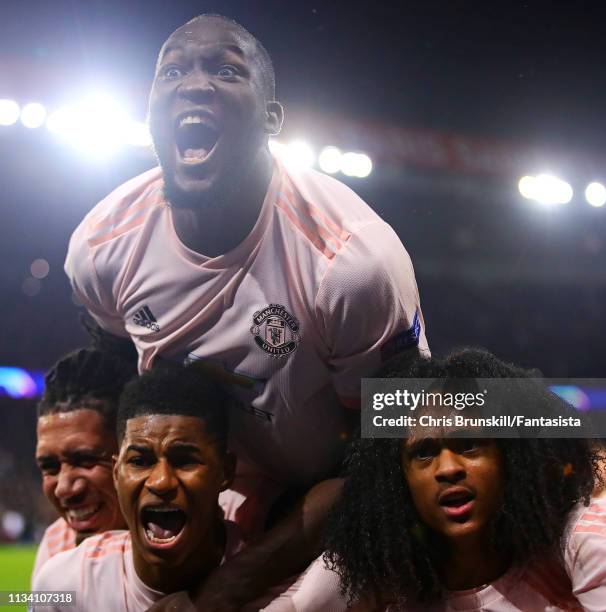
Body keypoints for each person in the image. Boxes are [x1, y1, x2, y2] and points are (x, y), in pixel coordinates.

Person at [64, 12, 428, 606]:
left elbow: (392, 452)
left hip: (338, 504)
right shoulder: (102, 249)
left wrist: (239, 581)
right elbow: (120, 389)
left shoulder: (349, 264)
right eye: (174, 70)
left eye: (227, 71)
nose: (195, 84)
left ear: (272, 118)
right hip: (207, 498)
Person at [324, 349, 606, 610]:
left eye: (468, 444)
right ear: (398, 479)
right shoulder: (382, 591)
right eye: (423, 453)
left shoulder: (581, 540)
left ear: (510, 457)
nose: (448, 468)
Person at [33, 364, 238, 610]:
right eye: (140, 461)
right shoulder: (58, 556)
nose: (65, 489)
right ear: (118, 467)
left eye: (85, 460)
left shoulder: (248, 529)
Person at [32, 346, 137, 579]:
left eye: (85, 460)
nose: (64, 488)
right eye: (49, 467)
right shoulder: (55, 544)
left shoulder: (205, 533)